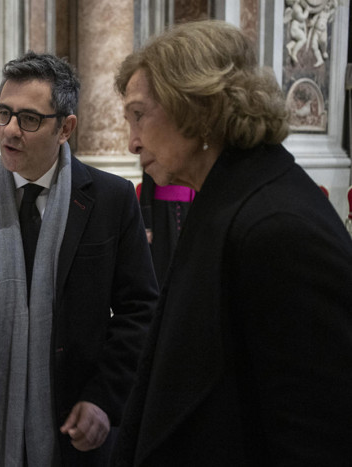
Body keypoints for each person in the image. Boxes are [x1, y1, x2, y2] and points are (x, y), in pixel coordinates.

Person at [112, 19, 352, 465]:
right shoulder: (231, 201)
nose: (131, 142)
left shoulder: (277, 228)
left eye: (139, 115)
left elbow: (317, 433)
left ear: (196, 106)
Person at [0, 51, 159, 467]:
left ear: (66, 128)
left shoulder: (110, 200)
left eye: (29, 119)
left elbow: (140, 310)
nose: (9, 130)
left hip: (77, 425)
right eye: (3, 113)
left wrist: (102, 398)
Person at [139, 171, 195, 283]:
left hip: (189, 209)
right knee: (164, 259)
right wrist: (147, 226)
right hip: (162, 213)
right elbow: (146, 189)